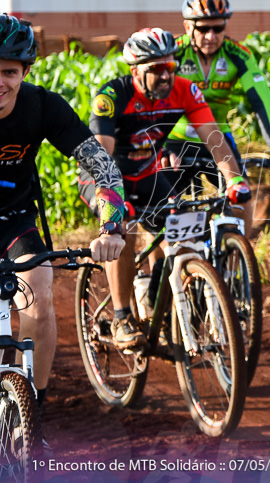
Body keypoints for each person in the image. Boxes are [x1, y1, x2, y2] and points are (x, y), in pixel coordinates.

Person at [80, 27, 251, 349]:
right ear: (135, 72)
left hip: (146, 173)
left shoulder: (185, 90)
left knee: (184, 230)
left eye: (170, 67)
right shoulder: (112, 96)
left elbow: (214, 138)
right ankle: (121, 317)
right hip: (104, 177)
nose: (164, 76)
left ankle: (160, 296)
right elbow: (100, 156)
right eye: (155, 69)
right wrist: (113, 207)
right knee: (122, 230)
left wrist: (234, 179)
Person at [0, 13, 126, 411]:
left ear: (24, 72)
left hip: (13, 219)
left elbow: (101, 166)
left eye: (8, 71)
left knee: (38, 288)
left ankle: (31, 406)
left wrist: (111, 227)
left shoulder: (43, 107)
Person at [166, 0, 270, 236]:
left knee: (241, 196)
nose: (211, 36)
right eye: (203, 29)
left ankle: (240, 262)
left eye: (217, 28)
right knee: (164, 210)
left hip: (218, 139)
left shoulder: (238, 55)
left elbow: (262, 101)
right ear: (187, 26)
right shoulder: (174, 52)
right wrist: (162, 146)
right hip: (176, 138)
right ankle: (156, 272)